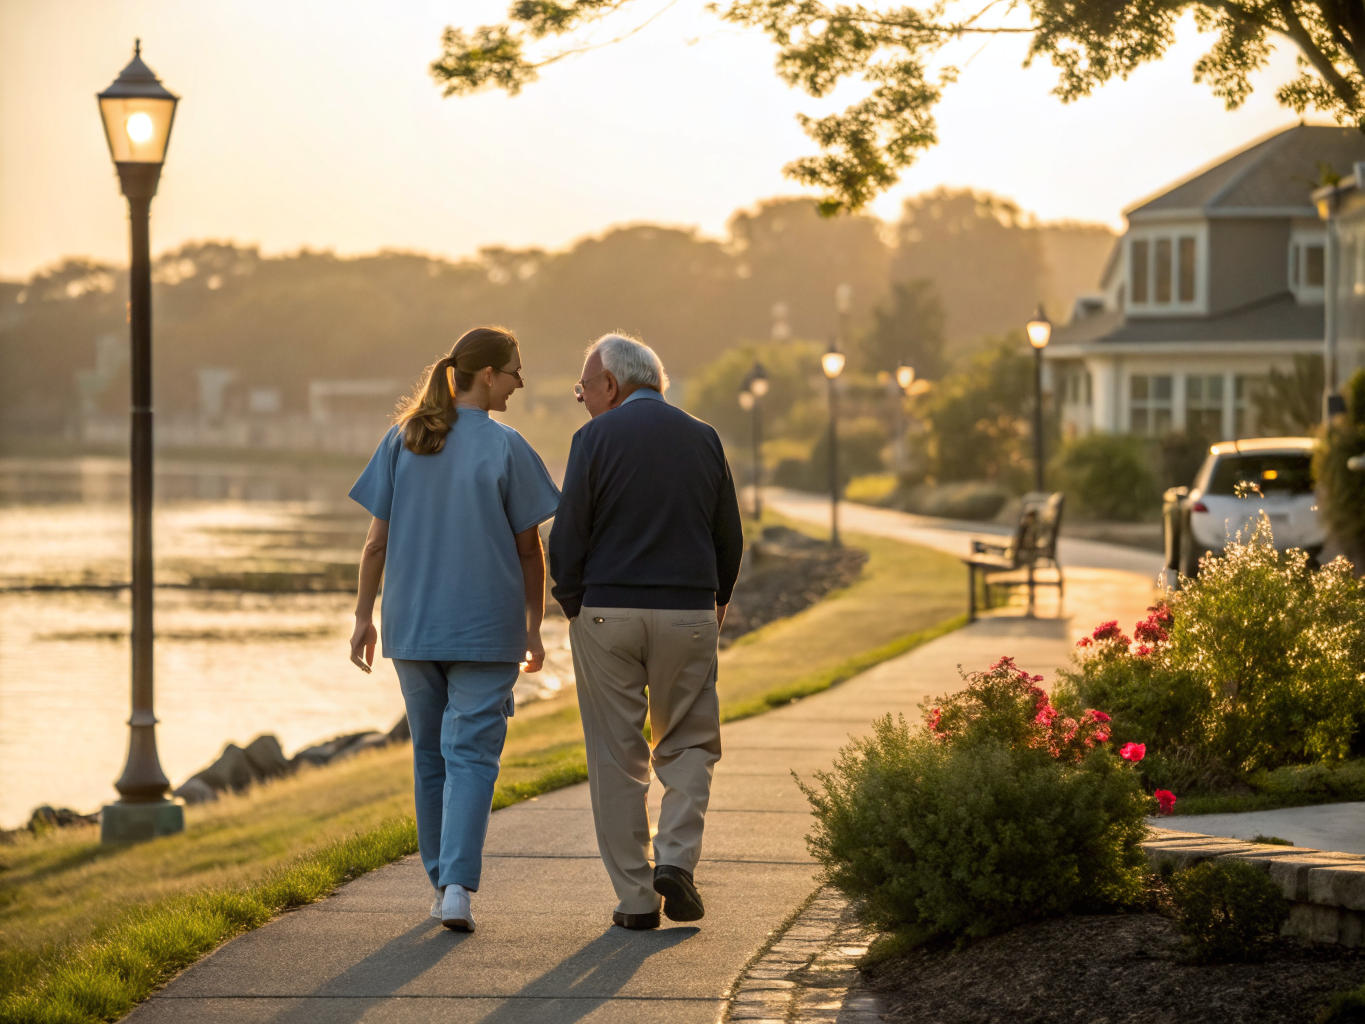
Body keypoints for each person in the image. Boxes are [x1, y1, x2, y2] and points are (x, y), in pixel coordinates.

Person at [348, 326, 560, 933]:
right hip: (486, 632)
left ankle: (442, 884)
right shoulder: (507, 446)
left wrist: (364, 617)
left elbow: (374, 545)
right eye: (515, 370)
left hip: (412, 626)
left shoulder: (404, 438)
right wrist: (534, 628)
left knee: (429, 757)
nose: (521, 381)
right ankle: (458, 889)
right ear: (488, 375)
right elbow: (530, 551)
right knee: (471, 758)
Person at [549, 333, 744, 931]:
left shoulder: (593, 440)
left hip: (608, 613)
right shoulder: (704, 437)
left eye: (584, 387)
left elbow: (568, 538)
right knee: (688, 743)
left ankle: (636, 899)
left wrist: (574, 603)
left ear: (611, 385)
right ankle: (677, 861)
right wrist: (714, 605)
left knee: (617, 756)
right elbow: (728, 537)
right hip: (687, 612)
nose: (581, 398)